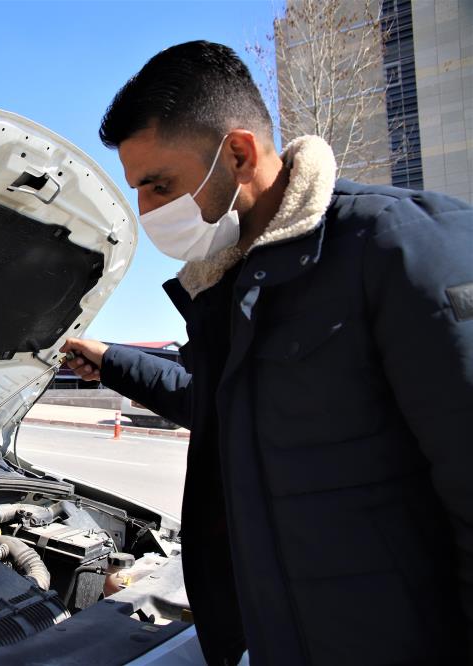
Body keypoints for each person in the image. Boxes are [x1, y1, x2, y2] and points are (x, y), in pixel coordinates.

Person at [62, 41, 473, 665]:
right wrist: (110, 358)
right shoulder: (234, 286)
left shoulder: (403, 250)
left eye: (159, 185)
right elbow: (218, 403)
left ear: (238, 153)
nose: (146, 211)